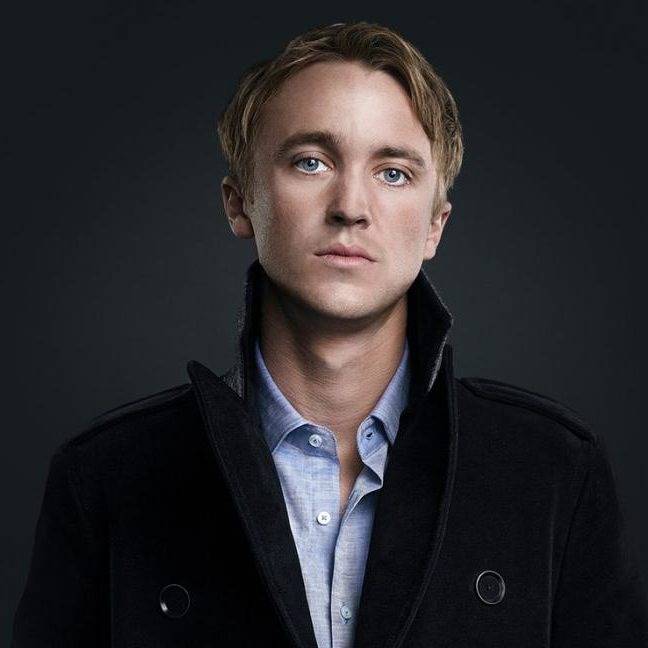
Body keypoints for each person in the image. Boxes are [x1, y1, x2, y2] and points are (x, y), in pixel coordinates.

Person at [12, 20, 648, 648]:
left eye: (393, 172)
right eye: (310, 162)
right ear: (239, 202)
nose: (350, 206)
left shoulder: (554, 471)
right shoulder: (105, 477)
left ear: (435, 225)